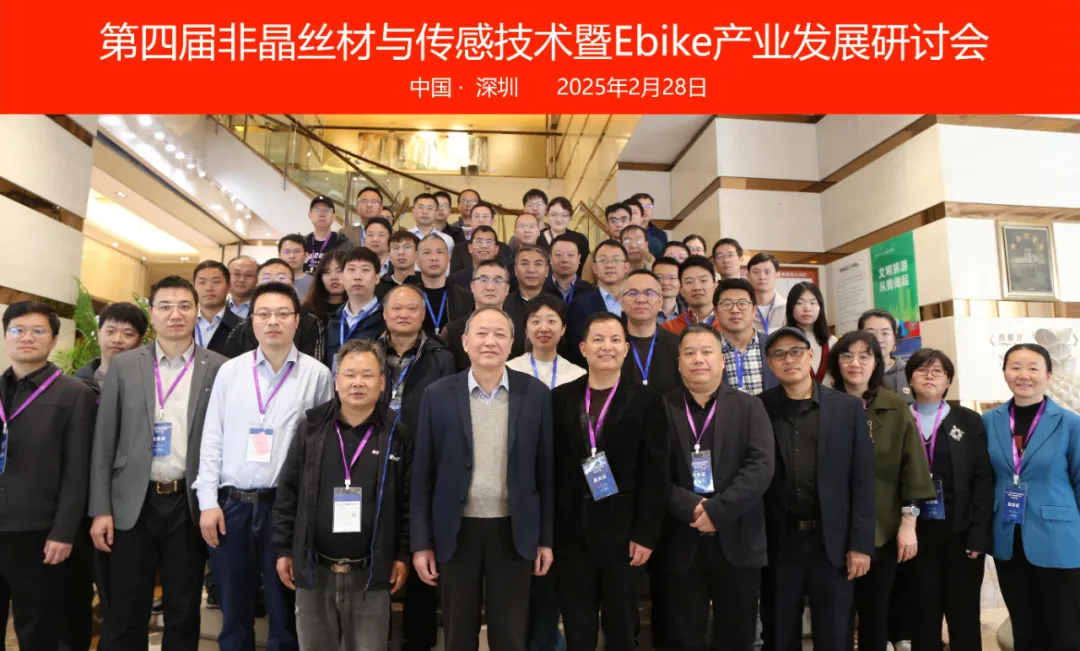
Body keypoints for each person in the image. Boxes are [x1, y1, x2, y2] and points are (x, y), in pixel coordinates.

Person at [89, 275, 228, 651]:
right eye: (165, 306)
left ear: (197, 312)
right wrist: (100, 509)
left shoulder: (219, 367)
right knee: (126, 606)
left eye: (184, 306)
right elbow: (104, 441)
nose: (175, 314)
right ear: (152, 314)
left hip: (187, 502)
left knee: (184, 607)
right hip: (131, 502)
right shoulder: (125, 365)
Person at [193, 282, 334, 651]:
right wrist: (208, 502)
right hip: (232, 507)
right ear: (251, 320)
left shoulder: (318, 375)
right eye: (264, 314)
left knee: (284, 612)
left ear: (297, 321)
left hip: (286, 509)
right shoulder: (230, 372)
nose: (273, 321)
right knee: (233, 610)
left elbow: (321, 449)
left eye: (283, 314)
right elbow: (212, 437)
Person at [411, 307, 555, 651]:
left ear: (512, 343)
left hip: (514, 530)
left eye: (499, 334)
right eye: (481, 333)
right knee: (459, 635)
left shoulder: (535, 394)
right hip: (456, 530)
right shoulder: (437, 394)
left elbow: (546, 473)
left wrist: (545, 539)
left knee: (510, 635)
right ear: (464, 341)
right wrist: (421, 543)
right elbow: (422, 476)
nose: (490, 341)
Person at [272, 340, 412, 650]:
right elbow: (288, 493)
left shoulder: (397, 434)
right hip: (315, 570)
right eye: (349, 374)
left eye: (367, 375)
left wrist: (402, 555)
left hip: (370, 574)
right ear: (336, 381)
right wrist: (283, 548)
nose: (358, 383)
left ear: (382, 382)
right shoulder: (311, 428)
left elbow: (407, 503)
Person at [550, 312, 668, 651]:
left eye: (615, 340)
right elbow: (551, 467)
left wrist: (645, 534)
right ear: (583, 348)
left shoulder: (646, 400)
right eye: (598, 340)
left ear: (626, 349)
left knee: (621, 628)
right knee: (578, 628)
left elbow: (655, 472)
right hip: (571, 534)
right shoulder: (560, 398)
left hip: (624, 536)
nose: (607, 347)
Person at [758, 327, 875, 651]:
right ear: (770, 363)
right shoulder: (759, 408)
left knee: (835, 636)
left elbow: (862, 480)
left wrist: (860, 544)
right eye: (779, 354)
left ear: (810, 355)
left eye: (796, 351)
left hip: (832, 544)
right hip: (780, 543)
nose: (789, 359)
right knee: (779, 636)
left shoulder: (847, 408)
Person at [659, 323, 774, 651]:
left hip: (738, 537)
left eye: (707, 352)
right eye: (690, 353)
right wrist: (690, 507)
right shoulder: (660, 408)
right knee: (682, 638)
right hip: (681, 539)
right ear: (679, 362)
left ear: (722, 360)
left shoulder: (749, 406)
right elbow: (651, 472)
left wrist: (717, 511)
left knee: (737, 638)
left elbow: (761, 467)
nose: (699, 359)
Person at [826, 332, 935, 651]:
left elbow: (913, 469)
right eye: (847, 356)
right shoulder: (823, 404)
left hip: (882, 528)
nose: (855, 363)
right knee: (836, 616)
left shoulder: (895, 406)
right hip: (832, 530)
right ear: (836, 362)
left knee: (874, 615)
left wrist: (908, 524)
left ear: (876, 363)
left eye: (865, 356)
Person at [0, 302, 96, 651]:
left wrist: (63, 532)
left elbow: (77, 471)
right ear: (6, 336)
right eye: (17, 330)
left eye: (38, 331)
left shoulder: (74, 394)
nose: (26, 337)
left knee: (37, 627)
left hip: (38, 532)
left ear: (54, 339)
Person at [373, 285, 455, 651]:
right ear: (385, 314)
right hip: (373, 463)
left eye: (412, 309)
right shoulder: (368, 352)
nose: (404, 314)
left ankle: (418, 642)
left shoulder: (441, 357)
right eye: (397, 308)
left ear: (423, 315)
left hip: (423, 463)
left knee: (421, 552)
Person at [984, 343, 1080, 651]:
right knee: (1024, 627)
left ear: (1049, 375)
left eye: (1033, 368)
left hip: (1059, 538)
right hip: (1008, 536)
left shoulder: (1069, 423)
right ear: (1005, 373)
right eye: (1015, 367)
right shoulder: (989, 421)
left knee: (1065, 629)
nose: (1023, 375)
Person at [900, 349, 992, 651]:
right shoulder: (899, 417)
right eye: (922, 370)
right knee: (922, 615)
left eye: (937, 371)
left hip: (960, 531)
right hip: (912, 534)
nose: (930, 376)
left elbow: (982, 479)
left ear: (948, 380)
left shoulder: (968, 420)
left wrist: (979, 533)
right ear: (909, 379)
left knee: (964, 615)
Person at [224, 258, 327, 362]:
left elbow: (313, 367)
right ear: (256, 284)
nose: (273, 282)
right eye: (266, 278)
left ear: (293, 283)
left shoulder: (311, 323)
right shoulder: (240, 329)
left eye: (281, 277)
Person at [446, 261, 525, 372]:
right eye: (483, 280)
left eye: (497, 281)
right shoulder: (452, 332)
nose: (490, 287)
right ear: (472, 286)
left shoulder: (522, 330)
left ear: (507, 289)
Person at [565, 240, 630, 366]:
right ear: (594, 267)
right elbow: (576, 348)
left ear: (626, 267)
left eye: (616, 260)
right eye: (603, 260)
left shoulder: (636, 302)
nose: (609, 265)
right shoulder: (579, 305)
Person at [713, 278, 779, 395]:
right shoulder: (708, 350)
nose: (735, 310)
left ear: (754, 310)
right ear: (716, 312)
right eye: (727, 304)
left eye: (742, 303)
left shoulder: (774, 346)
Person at [506, 295, 586, 389]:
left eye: (551, 321)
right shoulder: (510, 369)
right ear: (526, 330)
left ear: (563, 329)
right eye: (536, 322)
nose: (544, 329)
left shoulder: (577, 375)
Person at [620, 270, 680, 393]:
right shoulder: (612, 345)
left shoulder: (677, 345)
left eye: (649, 293)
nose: (641, 300)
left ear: (660, 302)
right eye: (633, 293)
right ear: (622, 302)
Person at [325, 248, 387, 369]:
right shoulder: (333, 320)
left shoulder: (387, 319)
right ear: (342, 277)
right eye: (351, 270)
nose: (357, 277)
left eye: (365, 270)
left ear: (377, 278)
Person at [75, 302, 148, 390]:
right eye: (110, 331)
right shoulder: (77, 385)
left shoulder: (149, 388)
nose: (117, 340)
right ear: (99, 335)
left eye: (127, 334)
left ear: (139, 342)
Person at [415, 234, 474, 336]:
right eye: (427, 252)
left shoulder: (466, 297)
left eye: (439, 252)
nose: (434, 258)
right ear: (417, 259)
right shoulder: (408, 297)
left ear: (448, 258)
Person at [785, 282, 837, 384]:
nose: (807, 309)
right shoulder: (782, 342)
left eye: (813, 303)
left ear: (820, 307)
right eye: (799, 303)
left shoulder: (832, 342)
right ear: (790, 307)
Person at [860, 310, 914, 404]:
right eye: (871, 334)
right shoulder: (854, 372)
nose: (879, 340)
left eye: (885, 333)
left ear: (894, 338)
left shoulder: (910, 372)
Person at [193, 261, 244, 357]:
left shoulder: (242, 327)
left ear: (228, 286)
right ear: (194, 287)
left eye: (216, 282)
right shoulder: (184, 323)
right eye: (202, 282)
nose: (209, 288)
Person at [450, 202, 512, 274]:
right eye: (477, 216)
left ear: (493, 221)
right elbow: (454, 276)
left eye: (485, 216)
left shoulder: (505, 248)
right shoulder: (459, 249)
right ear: (470, 221)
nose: (481, 220)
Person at [661, 256, 717, 336]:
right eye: (689, 282)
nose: (697, 287)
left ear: (715, 285)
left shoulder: (730, 322)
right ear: (681, 290)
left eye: (703, 280)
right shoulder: (669, 329)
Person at [504, 245, 559, 322]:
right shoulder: (503, 305)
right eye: (524, 263)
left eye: (538, 264)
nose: (531, 270)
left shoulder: (558, 307)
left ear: (547, 271)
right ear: (515, 270)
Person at [303, 195, 355, 274]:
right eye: (317, 210)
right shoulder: (302, 244)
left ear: (333, 216)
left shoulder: (346, 244)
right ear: (310, 215)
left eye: (326, 210)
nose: (322, 214)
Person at [540, 197, 590, 276]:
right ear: (547, 214)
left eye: (564, 215)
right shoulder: (537, 237)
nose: (559, 219)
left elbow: (584, 269)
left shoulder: (580, 239)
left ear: (570, 217)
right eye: (554, 215)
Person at [303, 250, 348, 326]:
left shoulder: (359, 309)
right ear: (320, 277)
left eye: (339, 271)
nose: (333, 277)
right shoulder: (308, 312)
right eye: (327, 272)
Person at [547, 234, 593, 305]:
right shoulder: (540, 289)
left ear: (579, 258)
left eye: (570, 255)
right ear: (550, 258)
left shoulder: (590, 291)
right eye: (559, 255)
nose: (565, 260)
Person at [746, 253, 784, 336]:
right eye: (756, 272)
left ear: (777, 275)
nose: (762, 277)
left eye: (767, 272)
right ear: (748, 276)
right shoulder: (742, 308)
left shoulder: (788, 308)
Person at [278, 235, 313, 303]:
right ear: (279, 256)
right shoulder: (272, 281)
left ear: (306, 256)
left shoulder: (314, 282)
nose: (292, 256)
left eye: (297, 251)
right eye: (287, 252)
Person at [226, 256, 259, 320]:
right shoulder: (217, 308)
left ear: (257, 279)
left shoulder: (263, 308)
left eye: (248, 275)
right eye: (237, 274)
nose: (242, 280)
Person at [653, 257, 683, 324]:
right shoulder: (641, 312)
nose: (665, 283)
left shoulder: (691, 315)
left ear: (680, 282)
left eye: (672, 278)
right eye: (659, 277)